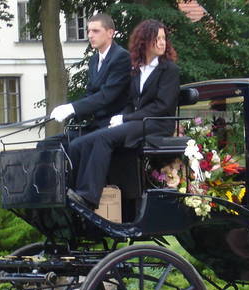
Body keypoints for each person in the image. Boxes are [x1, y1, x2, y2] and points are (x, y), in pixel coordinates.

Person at [66, 19, 180, 209]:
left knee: (103, 139)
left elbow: (162, 106)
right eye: (157, 38)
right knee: (79, 142)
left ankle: (88, 197)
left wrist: (126, 118)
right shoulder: (137, 69)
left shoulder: (169, 70)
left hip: (157, 124)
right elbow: (130, 102)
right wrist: (121, 118)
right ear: (144, 41)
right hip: (138, 122)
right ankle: (72, 192)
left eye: (163, 39)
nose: (162, 43)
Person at [49, 12, 131, 133]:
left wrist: (73, 108)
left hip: (113, 125)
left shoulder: (121, 57)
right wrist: (71, 113)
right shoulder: (94, 60)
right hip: (96, 125)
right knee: (49, 144)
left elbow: (106, 95)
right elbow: (90, 94)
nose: (90, 35)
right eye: (88, 31)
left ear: (110, 33)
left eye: (95, 31)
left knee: (73, 146)